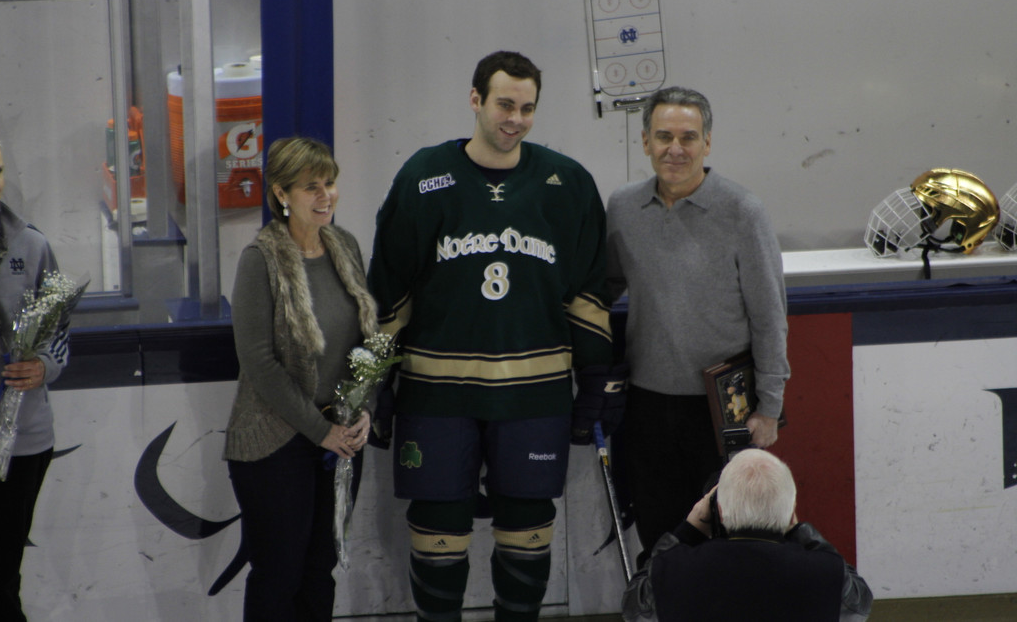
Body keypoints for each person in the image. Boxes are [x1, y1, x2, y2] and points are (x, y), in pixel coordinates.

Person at [368, 50, 626, 622]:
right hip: (437, 396)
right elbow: (387, 293)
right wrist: (374, 381)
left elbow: (586, 293)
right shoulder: (423, 178)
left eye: (527, 108)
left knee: (527, 526)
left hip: (534, 396)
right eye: (505, 104)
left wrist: (595, 378)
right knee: (437, 528)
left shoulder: (567, 183)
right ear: (475, 100)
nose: (516, 119)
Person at [606, 86, 790, 564]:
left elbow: (770, 316)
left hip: (725, 412)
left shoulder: (743, 211)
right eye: (663, 136)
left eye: (688, 137)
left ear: (707, 142)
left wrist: (770, 406)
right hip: (646, 405)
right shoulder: (622, 208)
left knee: (730, 542)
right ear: (644, 141)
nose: (676, 149)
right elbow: (601, 289)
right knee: (659, 537)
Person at [223, 136, 379, 621]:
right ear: (281, 193)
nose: (326, 195)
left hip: (339, 436)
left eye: (330, 183)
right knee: (279, 573)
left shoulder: (344, 246)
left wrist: (366, 408)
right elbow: (258, 362)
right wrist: (320, 431)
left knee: (318, 570)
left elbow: (367, 342)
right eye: (312, 187)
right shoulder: (261, 258)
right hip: (275, 442)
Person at [622, 448, 872, 622]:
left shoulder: (673, 569)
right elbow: (859, 605)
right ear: (790, 511)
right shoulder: (825, 572)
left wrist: (688, 531)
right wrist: (801, 532)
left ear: (719, 511)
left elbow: (633, 609)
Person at [0, 133, 72, 622]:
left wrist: (43, 365)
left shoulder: (32, 244)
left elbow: (59, 329)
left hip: (23, 441)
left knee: (2, 577)